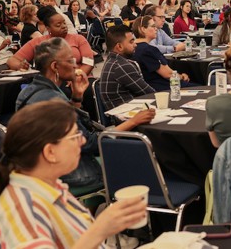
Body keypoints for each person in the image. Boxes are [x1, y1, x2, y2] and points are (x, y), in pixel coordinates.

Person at [0, 100, 148, 248]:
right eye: (75, 136)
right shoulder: (25, 209)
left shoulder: (45, 185)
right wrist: (99, 230)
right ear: (50, 152)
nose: (81, 141)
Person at [15, 38, 154, 186]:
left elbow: (64, 131)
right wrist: (133, 122)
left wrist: (77, 98)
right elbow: (90, 143)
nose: (75, 65)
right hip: (70, 173)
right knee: (141, 158)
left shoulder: (27, 91)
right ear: (55, 66)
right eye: (70, 61)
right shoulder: (54, 101)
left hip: (36, 170)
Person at [8, 6, 95, 74]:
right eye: (58, 25)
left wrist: (77, 76)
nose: (64, 26)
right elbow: (12, 61)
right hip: (50, 82)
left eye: (64, 23)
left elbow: (89, 62)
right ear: (48, 28)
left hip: (78, 77)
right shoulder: (39, 42)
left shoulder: (78, 38)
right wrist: (20, 66)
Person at [98, 25, 155, 110]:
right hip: (130, 117)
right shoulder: (121, 66)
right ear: (119, 46)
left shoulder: (112, 61)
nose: (135, 45)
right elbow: (150, 94)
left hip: (128, 113)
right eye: (131, 42)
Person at [131, 16, 191, 91]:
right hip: (164, 88)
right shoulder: (149, 50)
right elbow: (168, 74)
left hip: (147, 88)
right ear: (143, 29)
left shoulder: (132, 49)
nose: (156, 29)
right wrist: (182, 76)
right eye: (153, 26)